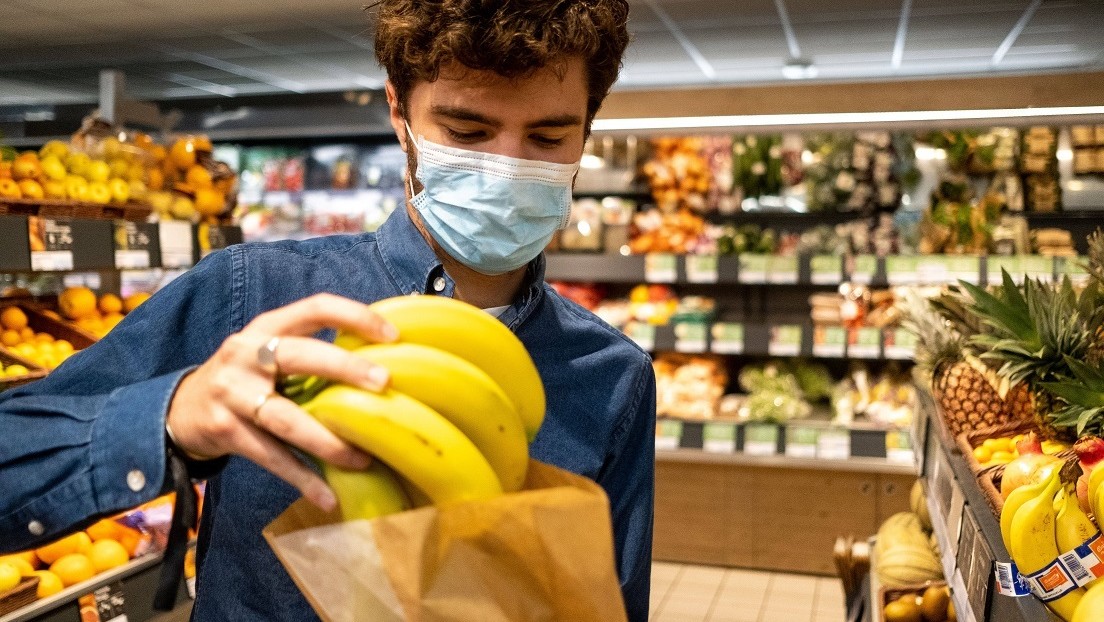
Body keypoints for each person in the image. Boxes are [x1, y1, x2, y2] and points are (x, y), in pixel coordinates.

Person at [0, 0, 654, 619]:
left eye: (547, 138)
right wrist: (170, 416)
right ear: (399, 114)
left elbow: (607, 602)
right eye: (467, 130)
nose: (505, 169)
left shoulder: (610, 377)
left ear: (588, 128)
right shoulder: (251, 298)